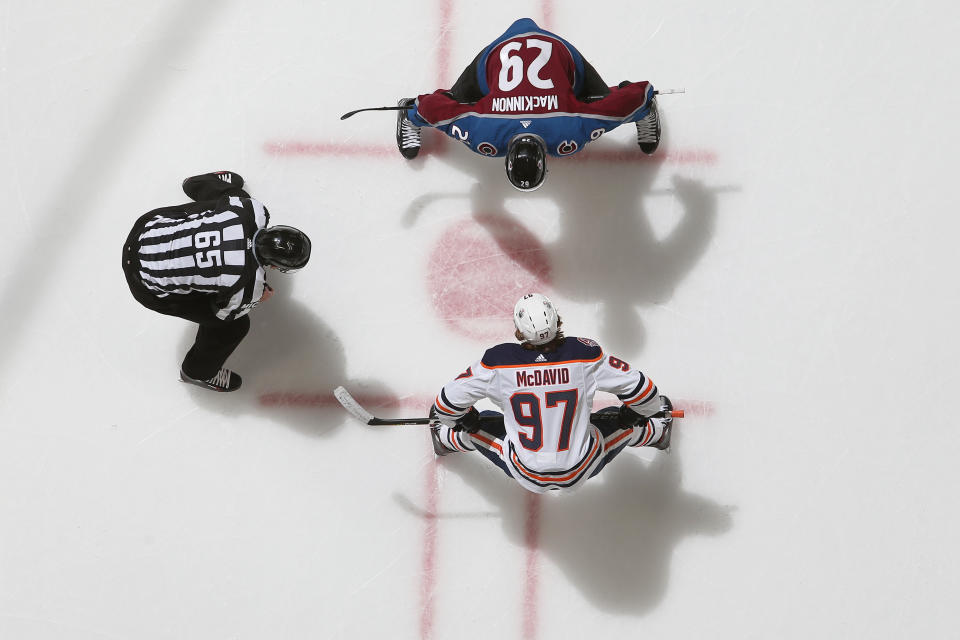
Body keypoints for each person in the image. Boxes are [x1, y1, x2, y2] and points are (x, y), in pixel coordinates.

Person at [429, 293, 674, 494]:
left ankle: (448, 439)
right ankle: (656, 432)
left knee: (478, 426)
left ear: (518, 330)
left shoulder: (498, 362)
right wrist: (633, 415)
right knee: (617, 419)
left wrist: (464, 420)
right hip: (580, 467)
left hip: (526, 471)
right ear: (557, 320)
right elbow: (645, 393)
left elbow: (446, 406)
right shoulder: (584, 354)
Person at [396, 18, 661, 191]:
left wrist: (642, 98)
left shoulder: (568, 132)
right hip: (528, 49)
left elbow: (614, 110)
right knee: (599, 101)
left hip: (519, 50)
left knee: (457, 98)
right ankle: (643, 112)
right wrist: (416, 110)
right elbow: (440, 114)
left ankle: (644, 112)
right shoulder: (484, 135)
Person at [121, 171, 311, 392]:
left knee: (231, 197)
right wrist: (256, 296)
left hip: (145, 230)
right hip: (145, 284)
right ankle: (197, 372)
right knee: (234, 326)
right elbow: (225, 312)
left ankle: (198, 185)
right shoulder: (248, 287)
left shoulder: (253, 208)